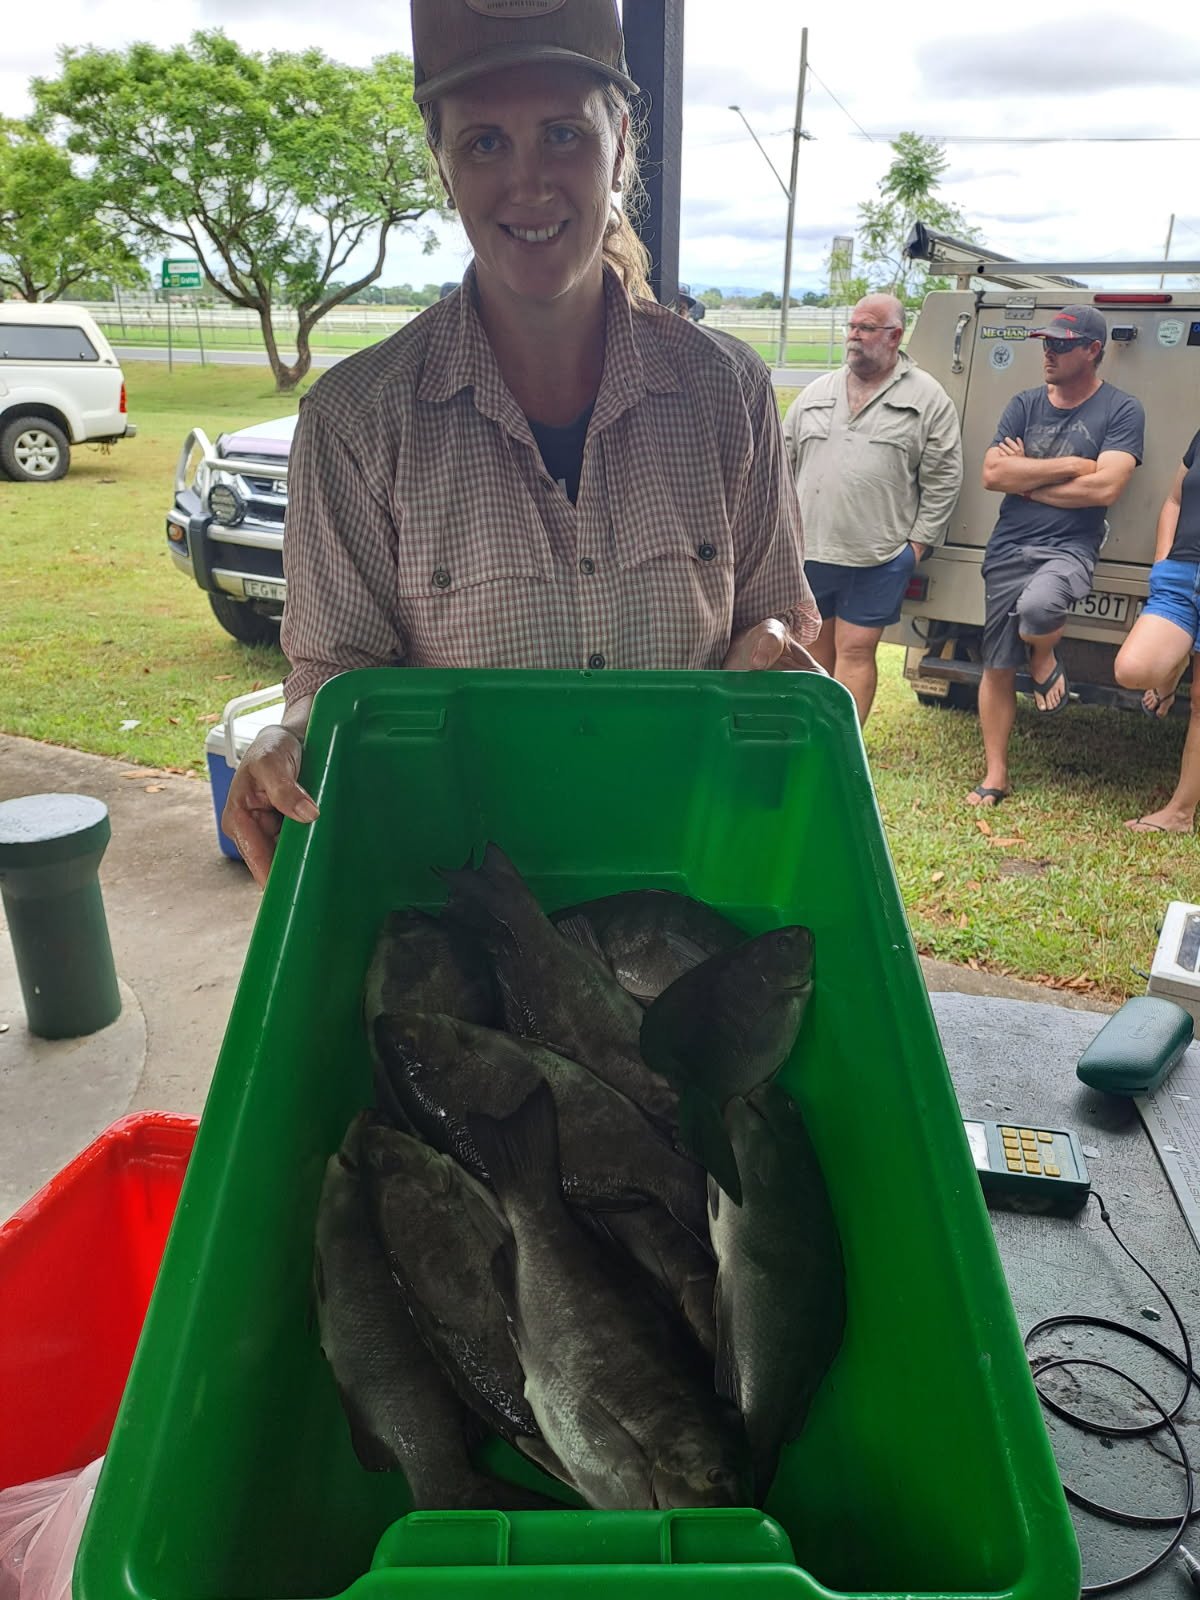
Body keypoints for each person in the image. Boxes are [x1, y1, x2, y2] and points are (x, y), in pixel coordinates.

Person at [222, 0, 822, 886]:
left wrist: (774, 648)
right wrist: (284, 738)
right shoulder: (355, 420)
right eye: (485, 144)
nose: (529, 183)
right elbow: (338, 683)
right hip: (468, 892)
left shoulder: (725, 392)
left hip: (686, 874)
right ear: (442, 164)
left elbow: (777, 627)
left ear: (620, 141)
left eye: (562, 136)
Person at [967, 305, 1144, 807]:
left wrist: (1028, 478)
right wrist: (1069, 466)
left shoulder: (1122, 409)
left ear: (1092, 350)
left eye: (1062, 344)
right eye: (1046, 342)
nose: (1049, 350)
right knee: (997, 664)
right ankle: (996, 773)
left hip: (1069, 546)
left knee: (1040, 608)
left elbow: (1106, 486)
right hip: (1007, 546)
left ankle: (1043, 652)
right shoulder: (1023, 403)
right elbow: (992, 476)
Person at [782, 293, 963, 724]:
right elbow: (780, 461)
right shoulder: (817, 392)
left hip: (879, 556)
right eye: (852, 327)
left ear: (895, 335)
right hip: (811, 549)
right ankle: (815, 737)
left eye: (866, 329)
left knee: (857, 650)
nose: (854, 337)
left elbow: (944, 477)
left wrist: (916, 546)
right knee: (812, 652)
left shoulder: (927, 398)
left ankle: (847, 748)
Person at [1113, 429, 1200, 834]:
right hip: (1181, 574)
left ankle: (1180, 813)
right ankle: (1178, 661)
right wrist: (1163, 561)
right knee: (1132, 669)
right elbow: (1175, 500)